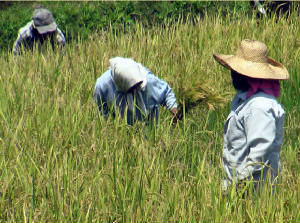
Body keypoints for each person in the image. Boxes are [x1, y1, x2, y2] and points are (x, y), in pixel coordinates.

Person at [213, 39, 289, 192]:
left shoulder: (259, 106)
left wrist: (240, 186)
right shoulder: (244, 99)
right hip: (238, 189)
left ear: (246, 76)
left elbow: (260, 154)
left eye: (236, 72)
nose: (232, 76)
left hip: (251, 193)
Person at [93, 57, 179, 125]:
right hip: (121, 129)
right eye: (132, 88)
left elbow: (166, 92)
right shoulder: (102, 86)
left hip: (150, 126)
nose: (135, 90)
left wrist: (174, 110)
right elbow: (103, 115)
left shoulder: (147, 79)